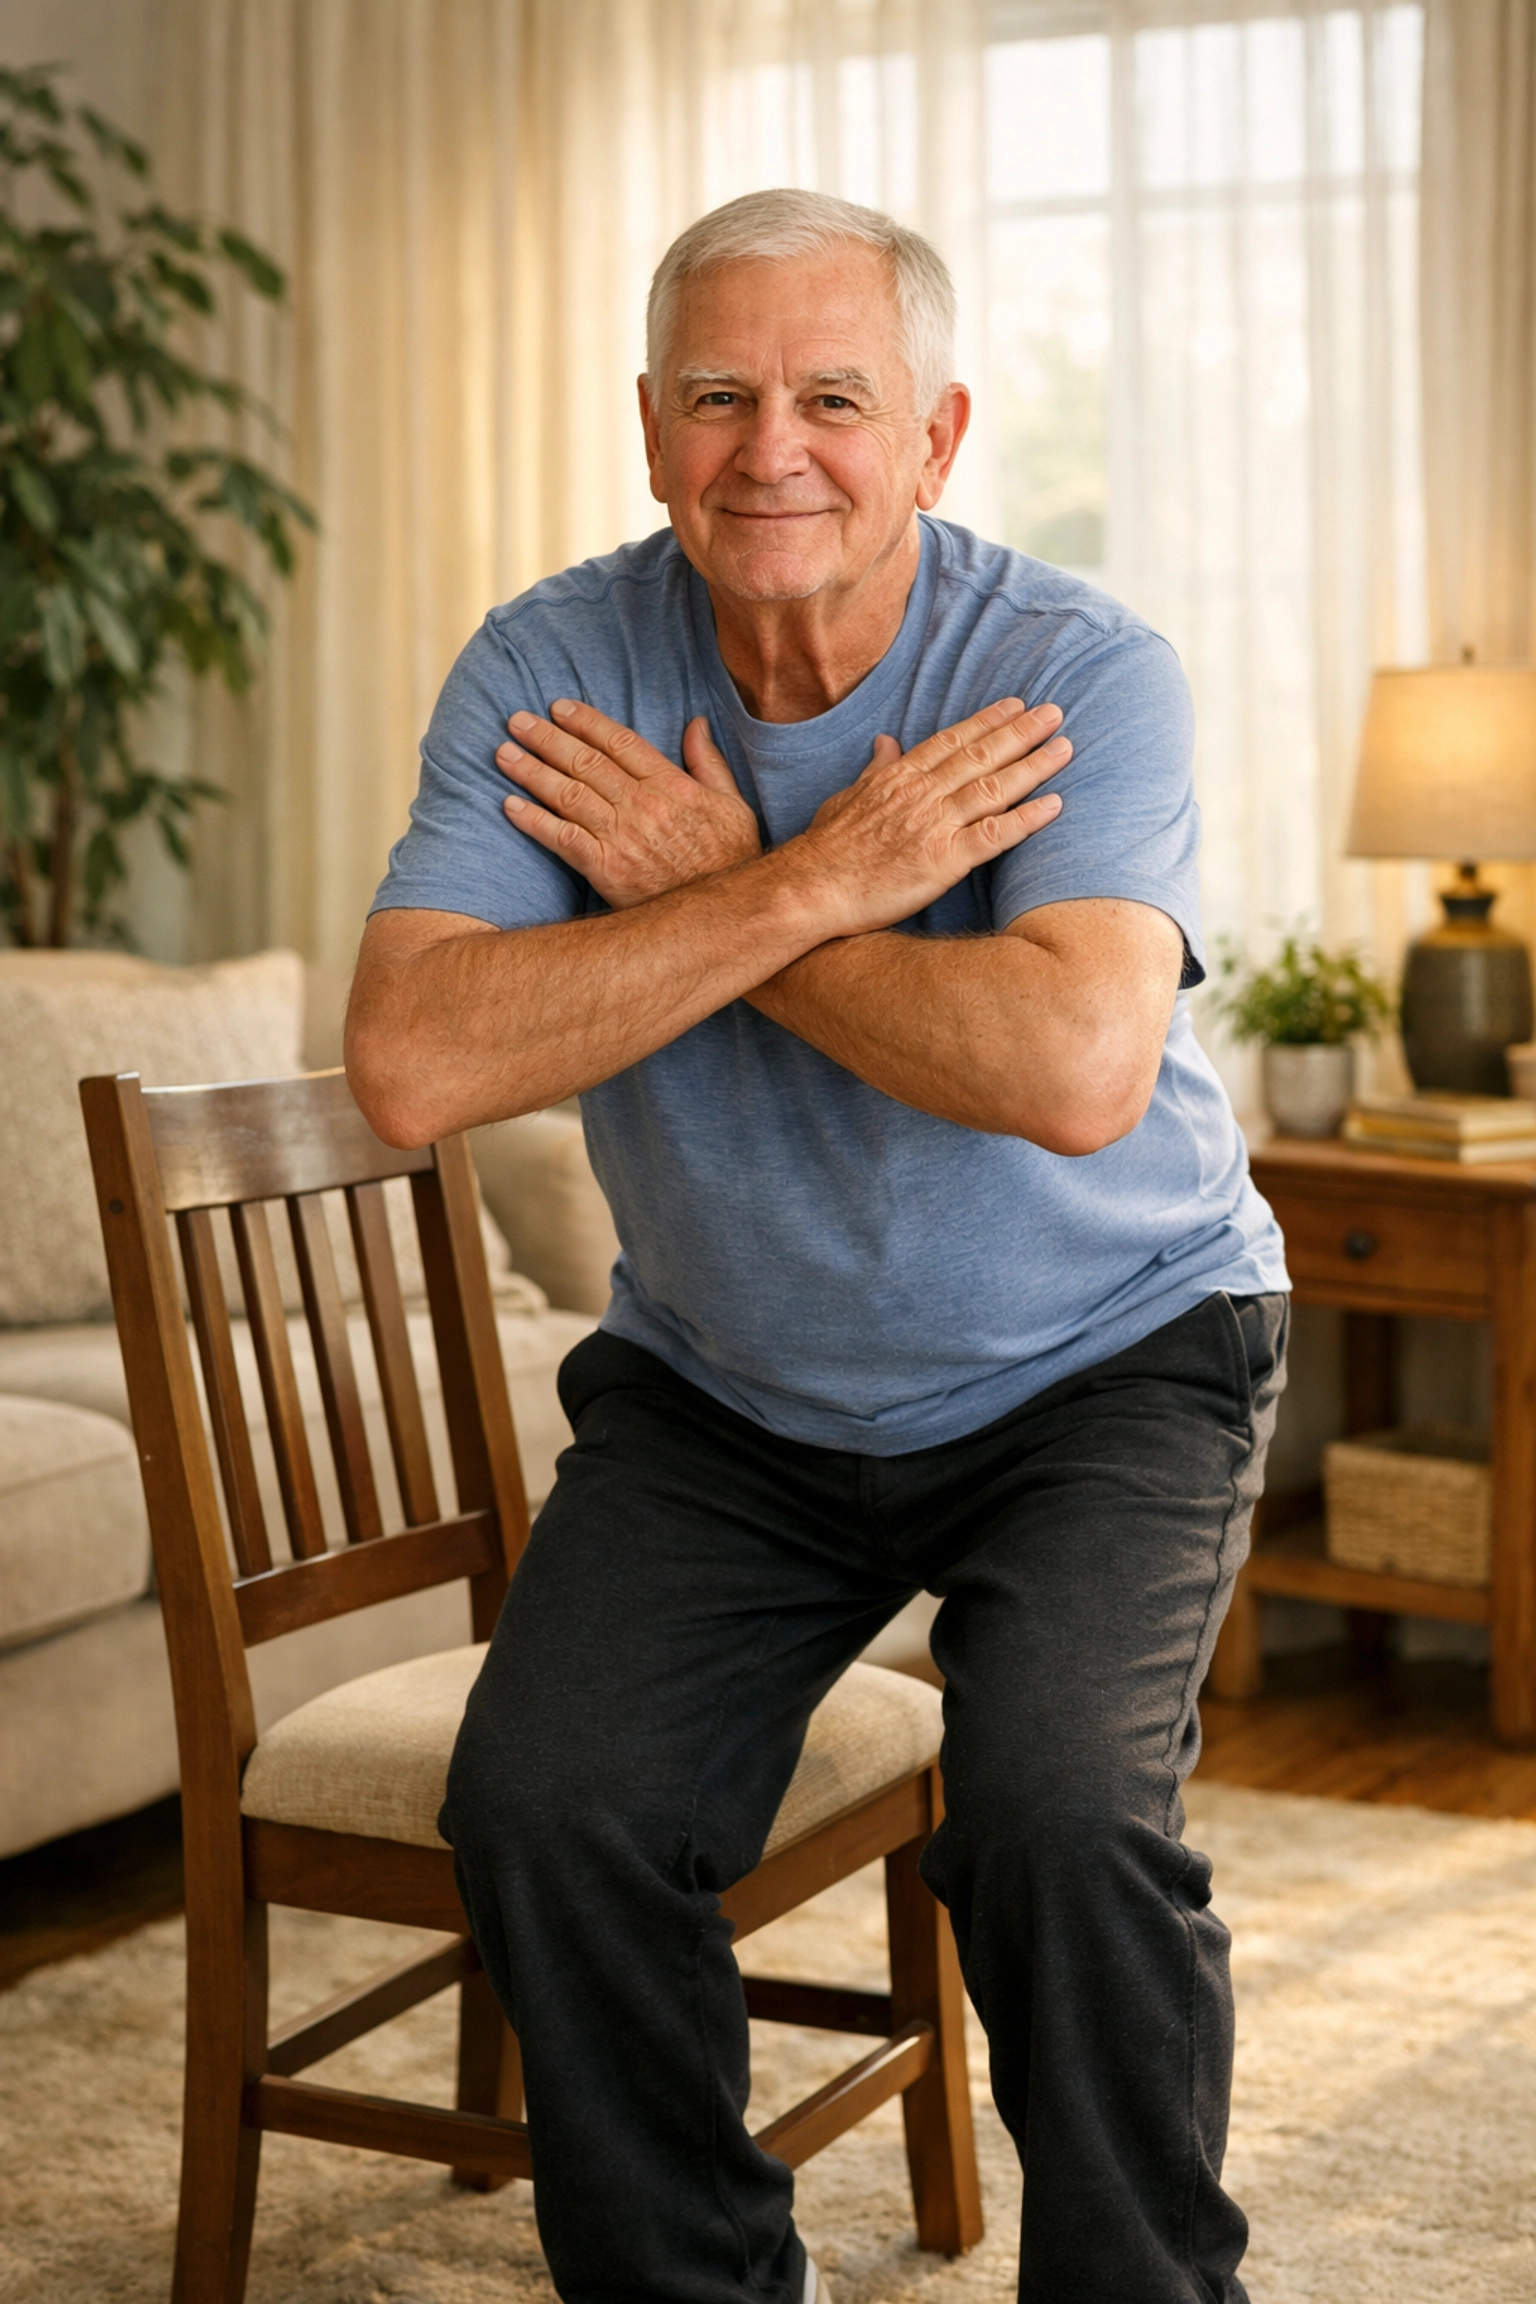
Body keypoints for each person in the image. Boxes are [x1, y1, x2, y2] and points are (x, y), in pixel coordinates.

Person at [346, 187, 1289, 2304]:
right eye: (720, 397)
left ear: (938, 438)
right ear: (651, 429)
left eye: (834, 399)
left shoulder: (1072, 671)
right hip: (728, 1387)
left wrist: (716, 892)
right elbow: (413, 1059)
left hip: (1108, 1356)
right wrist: (806, 887)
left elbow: (1069, 1069)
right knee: (549, 1808)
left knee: (1056, 1821)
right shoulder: (557, 667)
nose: (774, 447)